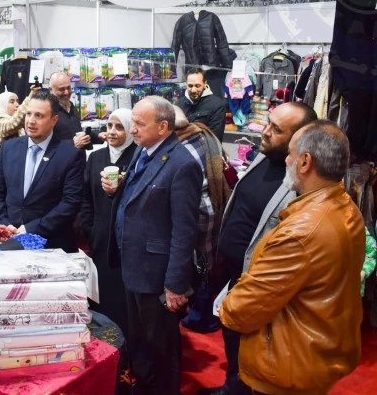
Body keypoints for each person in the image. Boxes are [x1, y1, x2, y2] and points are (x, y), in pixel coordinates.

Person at [219, 121, 365, 395]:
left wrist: (226, 303)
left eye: (291, 153)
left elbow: (241, 312)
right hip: (316, 352)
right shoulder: (346, 207)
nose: (287, 160)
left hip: (287, 364)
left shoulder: (302, 232)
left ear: (305, 162)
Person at [205, 102, 317, 395]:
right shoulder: (264, 157)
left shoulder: (300, 183)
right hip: (234, 276)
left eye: (276, 129)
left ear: (300, 138)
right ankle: (232, 388)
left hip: (260, 285)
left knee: (254, 353)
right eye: (268, 122)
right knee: (233, 342)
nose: (265, 132)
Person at [104, 96, 204, 395]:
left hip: (157, 275)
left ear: (163, 127)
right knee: (139, 342)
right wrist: (116, 190)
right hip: (133, 266)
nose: (132, 129)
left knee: (161, 349)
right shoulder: (144, 150)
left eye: (139, 123)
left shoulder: (182, 164)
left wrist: (175, 284)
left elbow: (185, 231)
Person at [0, 90, 85, 253]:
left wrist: (31, 229)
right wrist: (5, 224)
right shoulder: (9, 148)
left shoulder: (70, 155)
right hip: (9, 242)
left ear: (54, 120)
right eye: (28, 114)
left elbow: (70, 202)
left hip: (51, 246)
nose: (31, 121)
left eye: (39, 116)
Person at [172, 105, 228, 334]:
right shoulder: (202, 133)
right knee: (207, 262)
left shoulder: (181, 147)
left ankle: (202, 316)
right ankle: (206, 311)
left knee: (199, 266)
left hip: (197, 211)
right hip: (212, 206)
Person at [79, 108, 136, 334]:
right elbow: (86, 197)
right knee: (101, 291)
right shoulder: (96, 157)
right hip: (99, 236)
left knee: (123, 296)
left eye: (119, 127)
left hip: (126, 240)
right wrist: (89, 229)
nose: (112, 131)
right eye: (109, 126)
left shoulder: (137, 157)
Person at [48, 71, 105, 148]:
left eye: (68, 88)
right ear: (50, 90)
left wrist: (98, 135)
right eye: (61, 89)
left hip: (78, 155)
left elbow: (77, 134)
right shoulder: (47, 111)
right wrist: (72, 144)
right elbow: (45, 144)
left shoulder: (71, 106)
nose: (66, 92)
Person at [0, 85, 39, 165]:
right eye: (12, 102)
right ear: (2, 105)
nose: (17, 104)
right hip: (3, 168)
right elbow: (12, 124)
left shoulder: (19, 121)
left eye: (17, 101)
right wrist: (30, 97)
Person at [175, 68, 227, 142]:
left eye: (197, 86)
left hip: (205, 148)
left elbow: (214, 139)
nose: (193, 90)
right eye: (190, 86)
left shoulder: (217, 105)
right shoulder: (179, 104)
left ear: (205, 83)